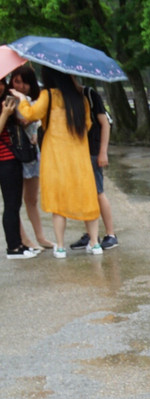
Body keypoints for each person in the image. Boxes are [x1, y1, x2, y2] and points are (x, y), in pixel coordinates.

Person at [12, 67, 102, 257]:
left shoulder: (48, 95)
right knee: (87, 197)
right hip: (79, 156)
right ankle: (95, 243)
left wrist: (21, 99)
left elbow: (31, 114)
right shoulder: (80, 96)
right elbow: (87, 124)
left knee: (58, 201)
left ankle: (60, 247)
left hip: (55, 157)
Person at [71, 81, 118, 251]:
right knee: (85, 194)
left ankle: (111, 234)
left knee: (98, 192)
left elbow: (105, 123)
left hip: (93, 150)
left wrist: (103, 151)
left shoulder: (90, 94)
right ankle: (91, 234)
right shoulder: (65, 97)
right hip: (77, 152)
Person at [9, 65, 51, 251]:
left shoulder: (38, 97)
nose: (21, 86)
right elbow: (23, 120)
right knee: (13, 201)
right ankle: (25, 238)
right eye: (17, 81)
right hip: (14, 152)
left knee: (32, 199)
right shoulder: (11, 99)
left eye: (24, 82)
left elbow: (39, 117)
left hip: (33, 153)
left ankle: (40, 236)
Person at [2, 76, 36, 259]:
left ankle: (19, 244)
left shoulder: (5, 101)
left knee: (15, 203)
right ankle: (13, 247)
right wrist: (5, 114)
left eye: (1, 83)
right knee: (10, 204)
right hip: (4, 160)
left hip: (12, 159)